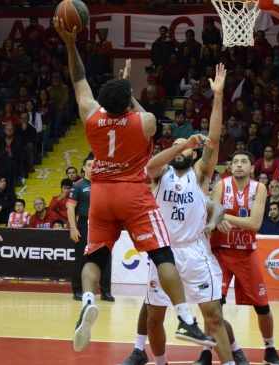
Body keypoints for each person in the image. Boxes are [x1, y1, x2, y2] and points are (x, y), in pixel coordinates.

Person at [53, 18, 212, 352]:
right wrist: (129, 90)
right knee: (161, 253)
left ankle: (86, 301)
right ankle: (185, 318)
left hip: (100, 194)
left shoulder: (91, 116)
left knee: (94, 256)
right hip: (132, 192)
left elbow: (79, 78)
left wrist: (70, 44)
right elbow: (144, 114)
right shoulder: (145, 122)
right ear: (127, 101)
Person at [126, 67, 241, 365]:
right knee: (154, 318)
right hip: (164, 254)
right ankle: (160, 362)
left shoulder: (200, 174)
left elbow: (213, 138)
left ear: (193, 153)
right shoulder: (159, 173)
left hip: (194, 253)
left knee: (213, 316)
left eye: (185, 146)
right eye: (174, 145)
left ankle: (228, 361)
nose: (179, 148)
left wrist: (217, 97)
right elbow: (150, 164)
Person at [211, 150, 279, 365]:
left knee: (262, 307)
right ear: (230, 167)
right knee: (213, 306)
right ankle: (207, 351)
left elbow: (254, 224)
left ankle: (270, 349)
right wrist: (215, 219)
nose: (239, 165)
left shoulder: (260, 188)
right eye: (235, 162)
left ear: (253, 168)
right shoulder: (220, 186)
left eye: (244, 161)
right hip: (220, 253)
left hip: (246, 254)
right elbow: (210, 213)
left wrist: (221, 216)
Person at [68, 157, 114, 303]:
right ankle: (77, 290)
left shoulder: (104, 184)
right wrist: (73, 227)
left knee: (106, 257)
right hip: (84, 223)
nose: (92, 168)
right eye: (89, 165)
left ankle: (106, 291)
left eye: (94, 165)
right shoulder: (78, 186)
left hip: (103, 223)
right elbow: (70, 207)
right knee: (82, 257)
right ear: (83, 168)